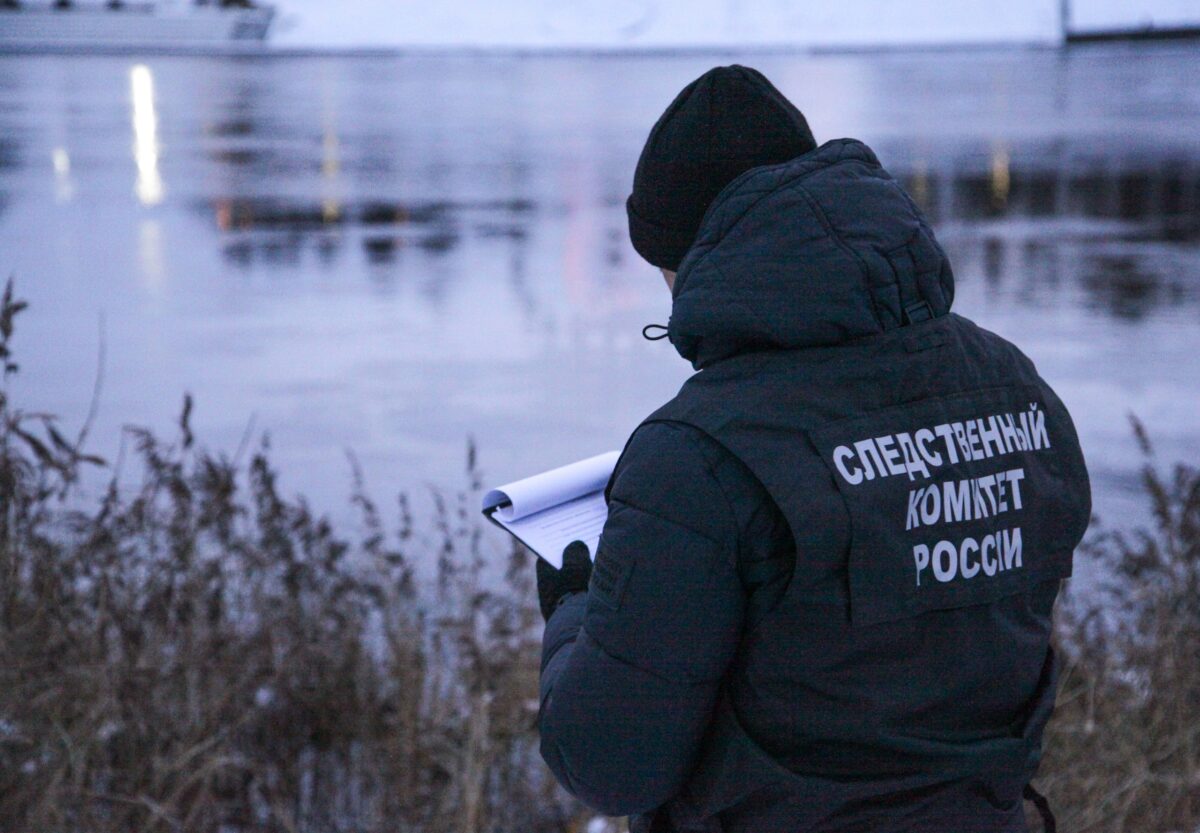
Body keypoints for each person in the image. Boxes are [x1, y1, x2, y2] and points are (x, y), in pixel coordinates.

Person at [535, 65, 1091, 833]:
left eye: (666, 267)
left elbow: (611, 760)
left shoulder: (697, 455)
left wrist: (573, 613)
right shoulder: (1016, 391)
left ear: (697, 253)